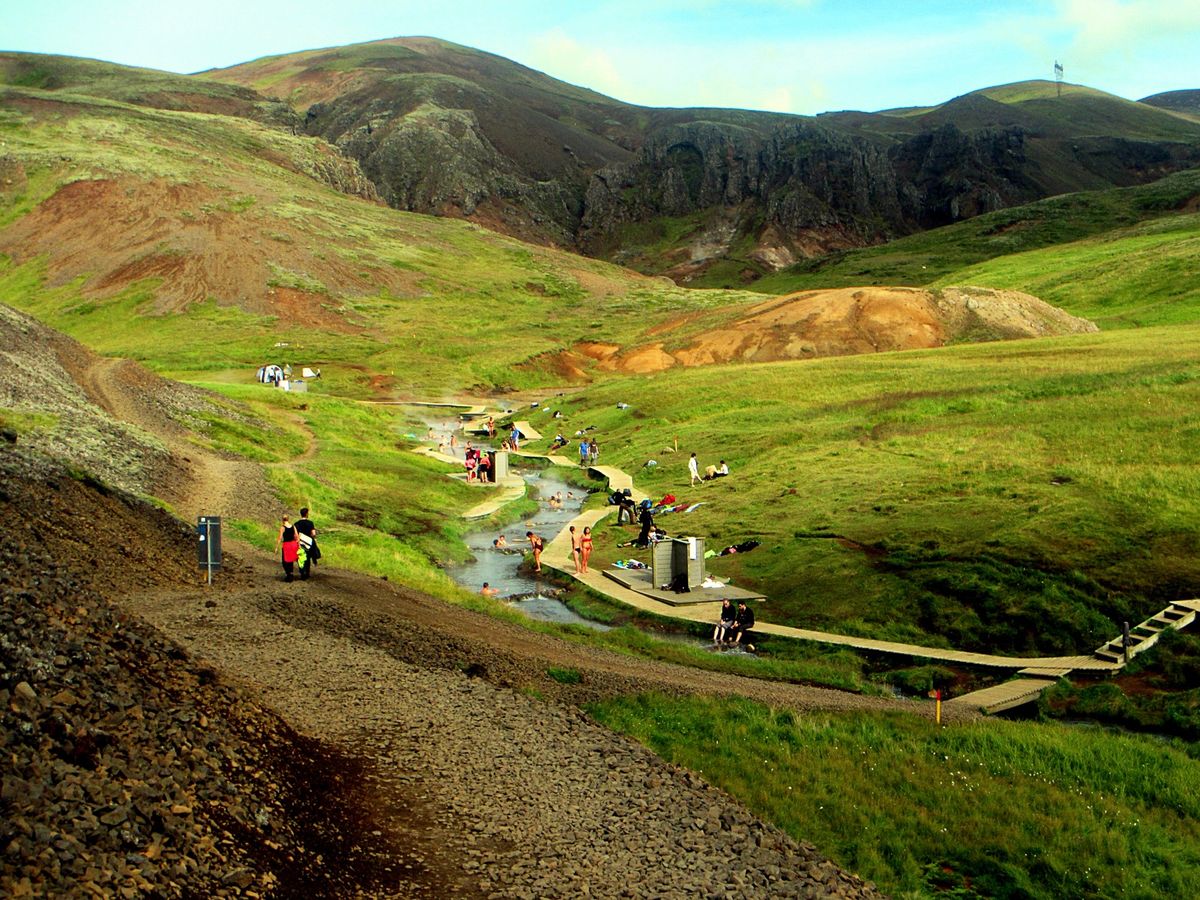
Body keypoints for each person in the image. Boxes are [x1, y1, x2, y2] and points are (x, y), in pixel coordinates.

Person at [294, 507, 319, 580]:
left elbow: (295, 535)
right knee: (308, 558)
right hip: (308, 543)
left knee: (301, 558)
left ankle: (302, 573)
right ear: (306, 514)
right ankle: (307, 573)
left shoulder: (296, 523)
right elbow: (313, 534)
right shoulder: (310, 523)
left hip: (300, 543)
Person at [275, 515, 299, 582]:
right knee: (290, 560)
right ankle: (291, 573)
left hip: (287, 545)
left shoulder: (282, 527)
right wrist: (298, 544)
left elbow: (280, 538)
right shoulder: (293, 526)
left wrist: (276, 547)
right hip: (293, 544)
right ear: (288, 519)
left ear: (282, 520)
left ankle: (289, 574)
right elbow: (296, 536)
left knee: (285, 561)